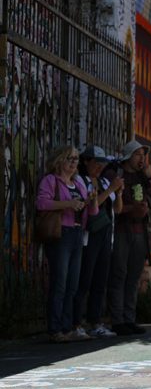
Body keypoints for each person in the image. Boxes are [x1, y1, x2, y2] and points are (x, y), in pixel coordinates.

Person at [36, 145, 99, 342]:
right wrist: (68, 204)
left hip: (77, 233)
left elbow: (93, 213)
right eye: (70, 159)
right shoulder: (51, 181)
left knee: (72, 284)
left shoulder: (78, 184)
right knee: (60, 282)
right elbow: (41, 203)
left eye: (76, 159)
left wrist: (92, 200)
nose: (74, 163)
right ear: (60, 160)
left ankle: (68, 326)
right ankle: (55, 329)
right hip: (60, 234)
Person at [107, 140, 151, 336]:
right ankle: (117, 320)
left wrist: (150, 174)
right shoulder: (117, 174)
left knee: (133, 276)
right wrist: (133, 209)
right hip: (121, 230)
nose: (142, 159)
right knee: (119, 274)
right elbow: (114, 207)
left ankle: (129, 318)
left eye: (143, 155)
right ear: (128, 156)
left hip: (140, 231)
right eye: (138, 155)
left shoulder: (142, 175)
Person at [73, 145, 124, 338]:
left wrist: (118, 193)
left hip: (105, 236)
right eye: (96, 162)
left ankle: (95, 322)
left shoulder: (103, 181)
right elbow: (90, 205)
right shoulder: (80, 180)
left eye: (102, 163)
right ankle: (76, 322)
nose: (99, 167)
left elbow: (117, 210)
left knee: (100, 281)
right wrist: (111, 188)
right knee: (84, 280)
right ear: (86, 162)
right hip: (88, 237)